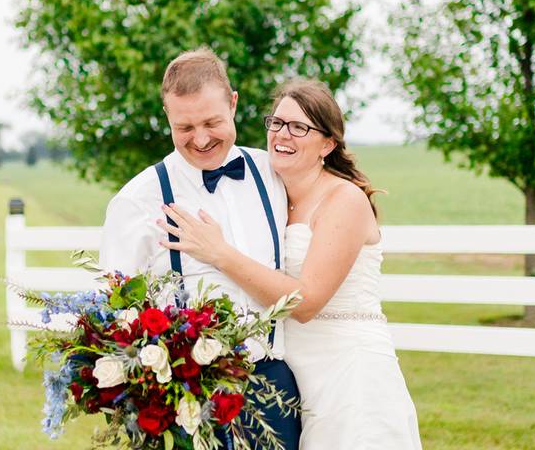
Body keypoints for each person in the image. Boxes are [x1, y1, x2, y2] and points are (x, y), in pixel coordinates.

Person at [158, 78, 422, 449]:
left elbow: (306, 302)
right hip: (299, 379)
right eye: (277, 123)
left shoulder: (343, 200)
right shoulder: (275, 196)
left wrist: (219, 253)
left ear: (328, 144)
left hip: (350, 374)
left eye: (300, 127)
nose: (283, 134)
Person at [99, 47, 301, 448]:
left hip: (275, 387)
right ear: (167, 117)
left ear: (233, 103)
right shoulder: (136, 200)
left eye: (212, 122)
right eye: (185, 127)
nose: (202, 139)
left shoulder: (273, 173)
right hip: (187, 398)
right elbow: (113, 314)